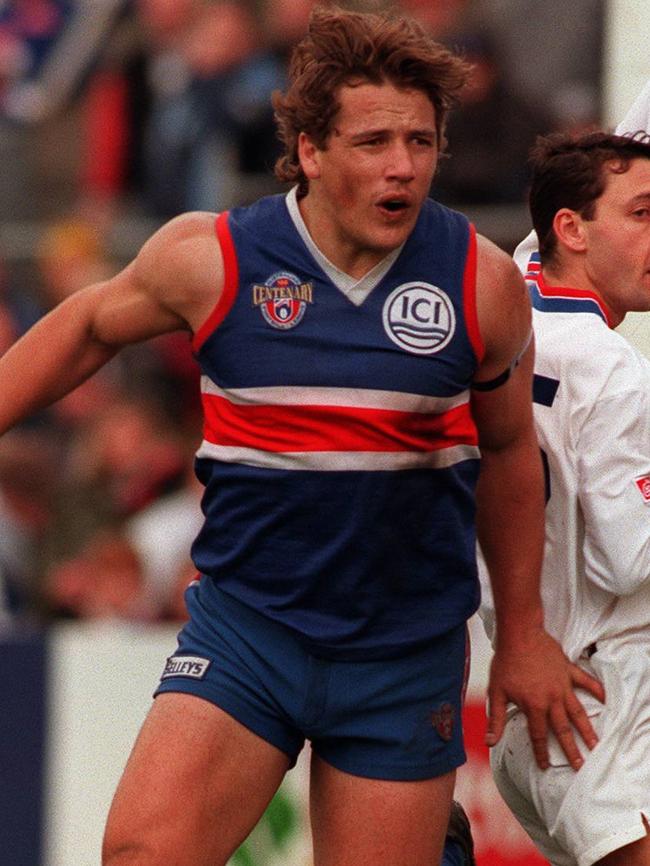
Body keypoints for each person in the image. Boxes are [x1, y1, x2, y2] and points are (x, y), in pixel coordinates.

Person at [0, 7, 602, 866]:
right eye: (373, 143)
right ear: (311, 151)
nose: (403, 167)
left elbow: (508, 453)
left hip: (401, 654)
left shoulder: (482, 284)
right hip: (250, 634)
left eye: (421, 142)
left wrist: (524, 635)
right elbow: (90, 324)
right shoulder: (213, 260)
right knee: (141, 855)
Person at [480, 84, 650, 865]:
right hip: (599, 707)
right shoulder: (615, 368)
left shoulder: (511, 309)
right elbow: (627, 556)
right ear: (572, 229)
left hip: (536, 706)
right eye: (645, 216)